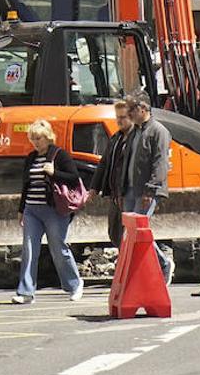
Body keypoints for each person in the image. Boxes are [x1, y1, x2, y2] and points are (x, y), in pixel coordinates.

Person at [11, 119, 84, 304]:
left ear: (48, 137)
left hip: (54, 210)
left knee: (58, 249)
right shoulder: (31, 158)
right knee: (28, 249)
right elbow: (26, 185)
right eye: (33, 138)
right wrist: (21, 209)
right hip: (31, 210)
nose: (36, 142)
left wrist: (54, 173)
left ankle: (74, 285)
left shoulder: (60, 155)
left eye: (39, 138)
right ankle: (26, 292)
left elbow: (74, 178)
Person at [124, 90, 174, 284]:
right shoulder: (135, 131)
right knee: (132, 233)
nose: (128, 114)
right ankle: (141, 273)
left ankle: (163, 264)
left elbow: (160, 162)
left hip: (146, 191)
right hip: (131, 190)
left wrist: (150, 189)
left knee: (139, 231)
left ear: (143, 109)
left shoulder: (158, 131)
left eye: (131, 109)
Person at [93, 100, 134, 247]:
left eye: (123, 117)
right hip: (115, 195)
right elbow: (104, 163)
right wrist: (94, 188)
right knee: (115, 234)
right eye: (117, 117)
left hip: (129, 194)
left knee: (130, 234)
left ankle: (160, 261)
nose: (119, 121)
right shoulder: (116, 138)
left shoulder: (136, 139)